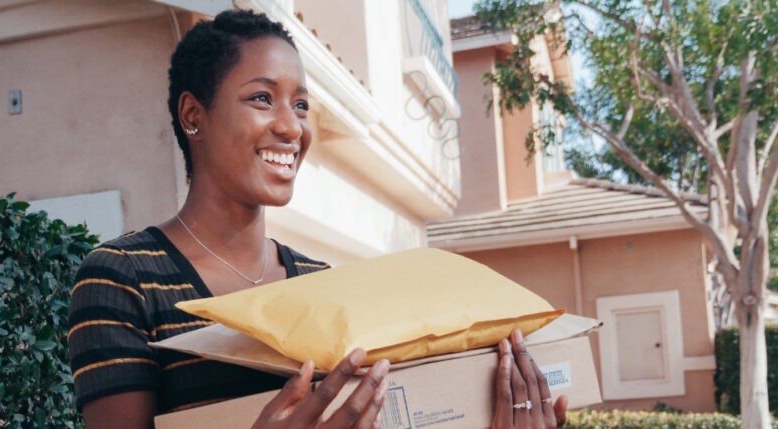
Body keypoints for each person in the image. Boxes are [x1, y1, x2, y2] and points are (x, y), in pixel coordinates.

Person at [68, 9, 568, 429]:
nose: (291, 127)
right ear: (193, 115)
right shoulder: (121, 278)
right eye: (262, 98)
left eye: (301, 104)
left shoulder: (323, 286)